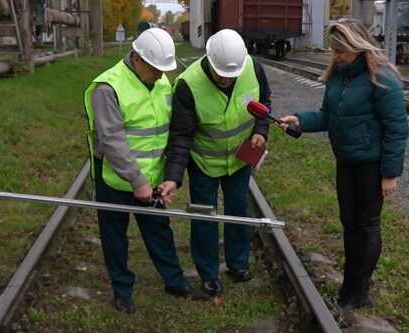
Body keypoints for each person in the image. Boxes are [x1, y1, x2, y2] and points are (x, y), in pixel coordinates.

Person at [278, 18, 409, 309]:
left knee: (368, 227)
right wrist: (300, 119)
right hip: (346, 162)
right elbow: (327, 116)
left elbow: (398, 130)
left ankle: (360, 292)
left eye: (340, 51)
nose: (335, 57)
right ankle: (349, 288)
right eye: (333, 50)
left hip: (371, 166)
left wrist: (389, 174)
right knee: (349, 225)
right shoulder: (340, 76)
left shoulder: (383, 79)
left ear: (358, 48)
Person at [82, 28, 209, 314]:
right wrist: (136, 180)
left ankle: (175, 283)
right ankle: (122, 289)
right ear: (137, 59)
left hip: (151, 176)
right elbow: (113, 140)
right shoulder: (108, 87)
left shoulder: (161, 81)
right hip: (114, 180)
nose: (160, 75)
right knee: (114, 235)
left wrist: (169, 178)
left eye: (164, 70)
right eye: (155, 69)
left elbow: (169, 131)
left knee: (159, 231)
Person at [159, 29, 272, 297]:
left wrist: (260, 131)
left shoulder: (252, 68)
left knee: (238, 211)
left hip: (239, 161)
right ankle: (208, 274)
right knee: (204, 218)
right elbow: (181, 136)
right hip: (204, 163)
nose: (227, 79)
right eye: (222, 74)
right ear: (209, 61)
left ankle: (237, 263)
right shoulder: (188, 85)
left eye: (232, 75)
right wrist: (173, 176)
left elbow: (264, 104)